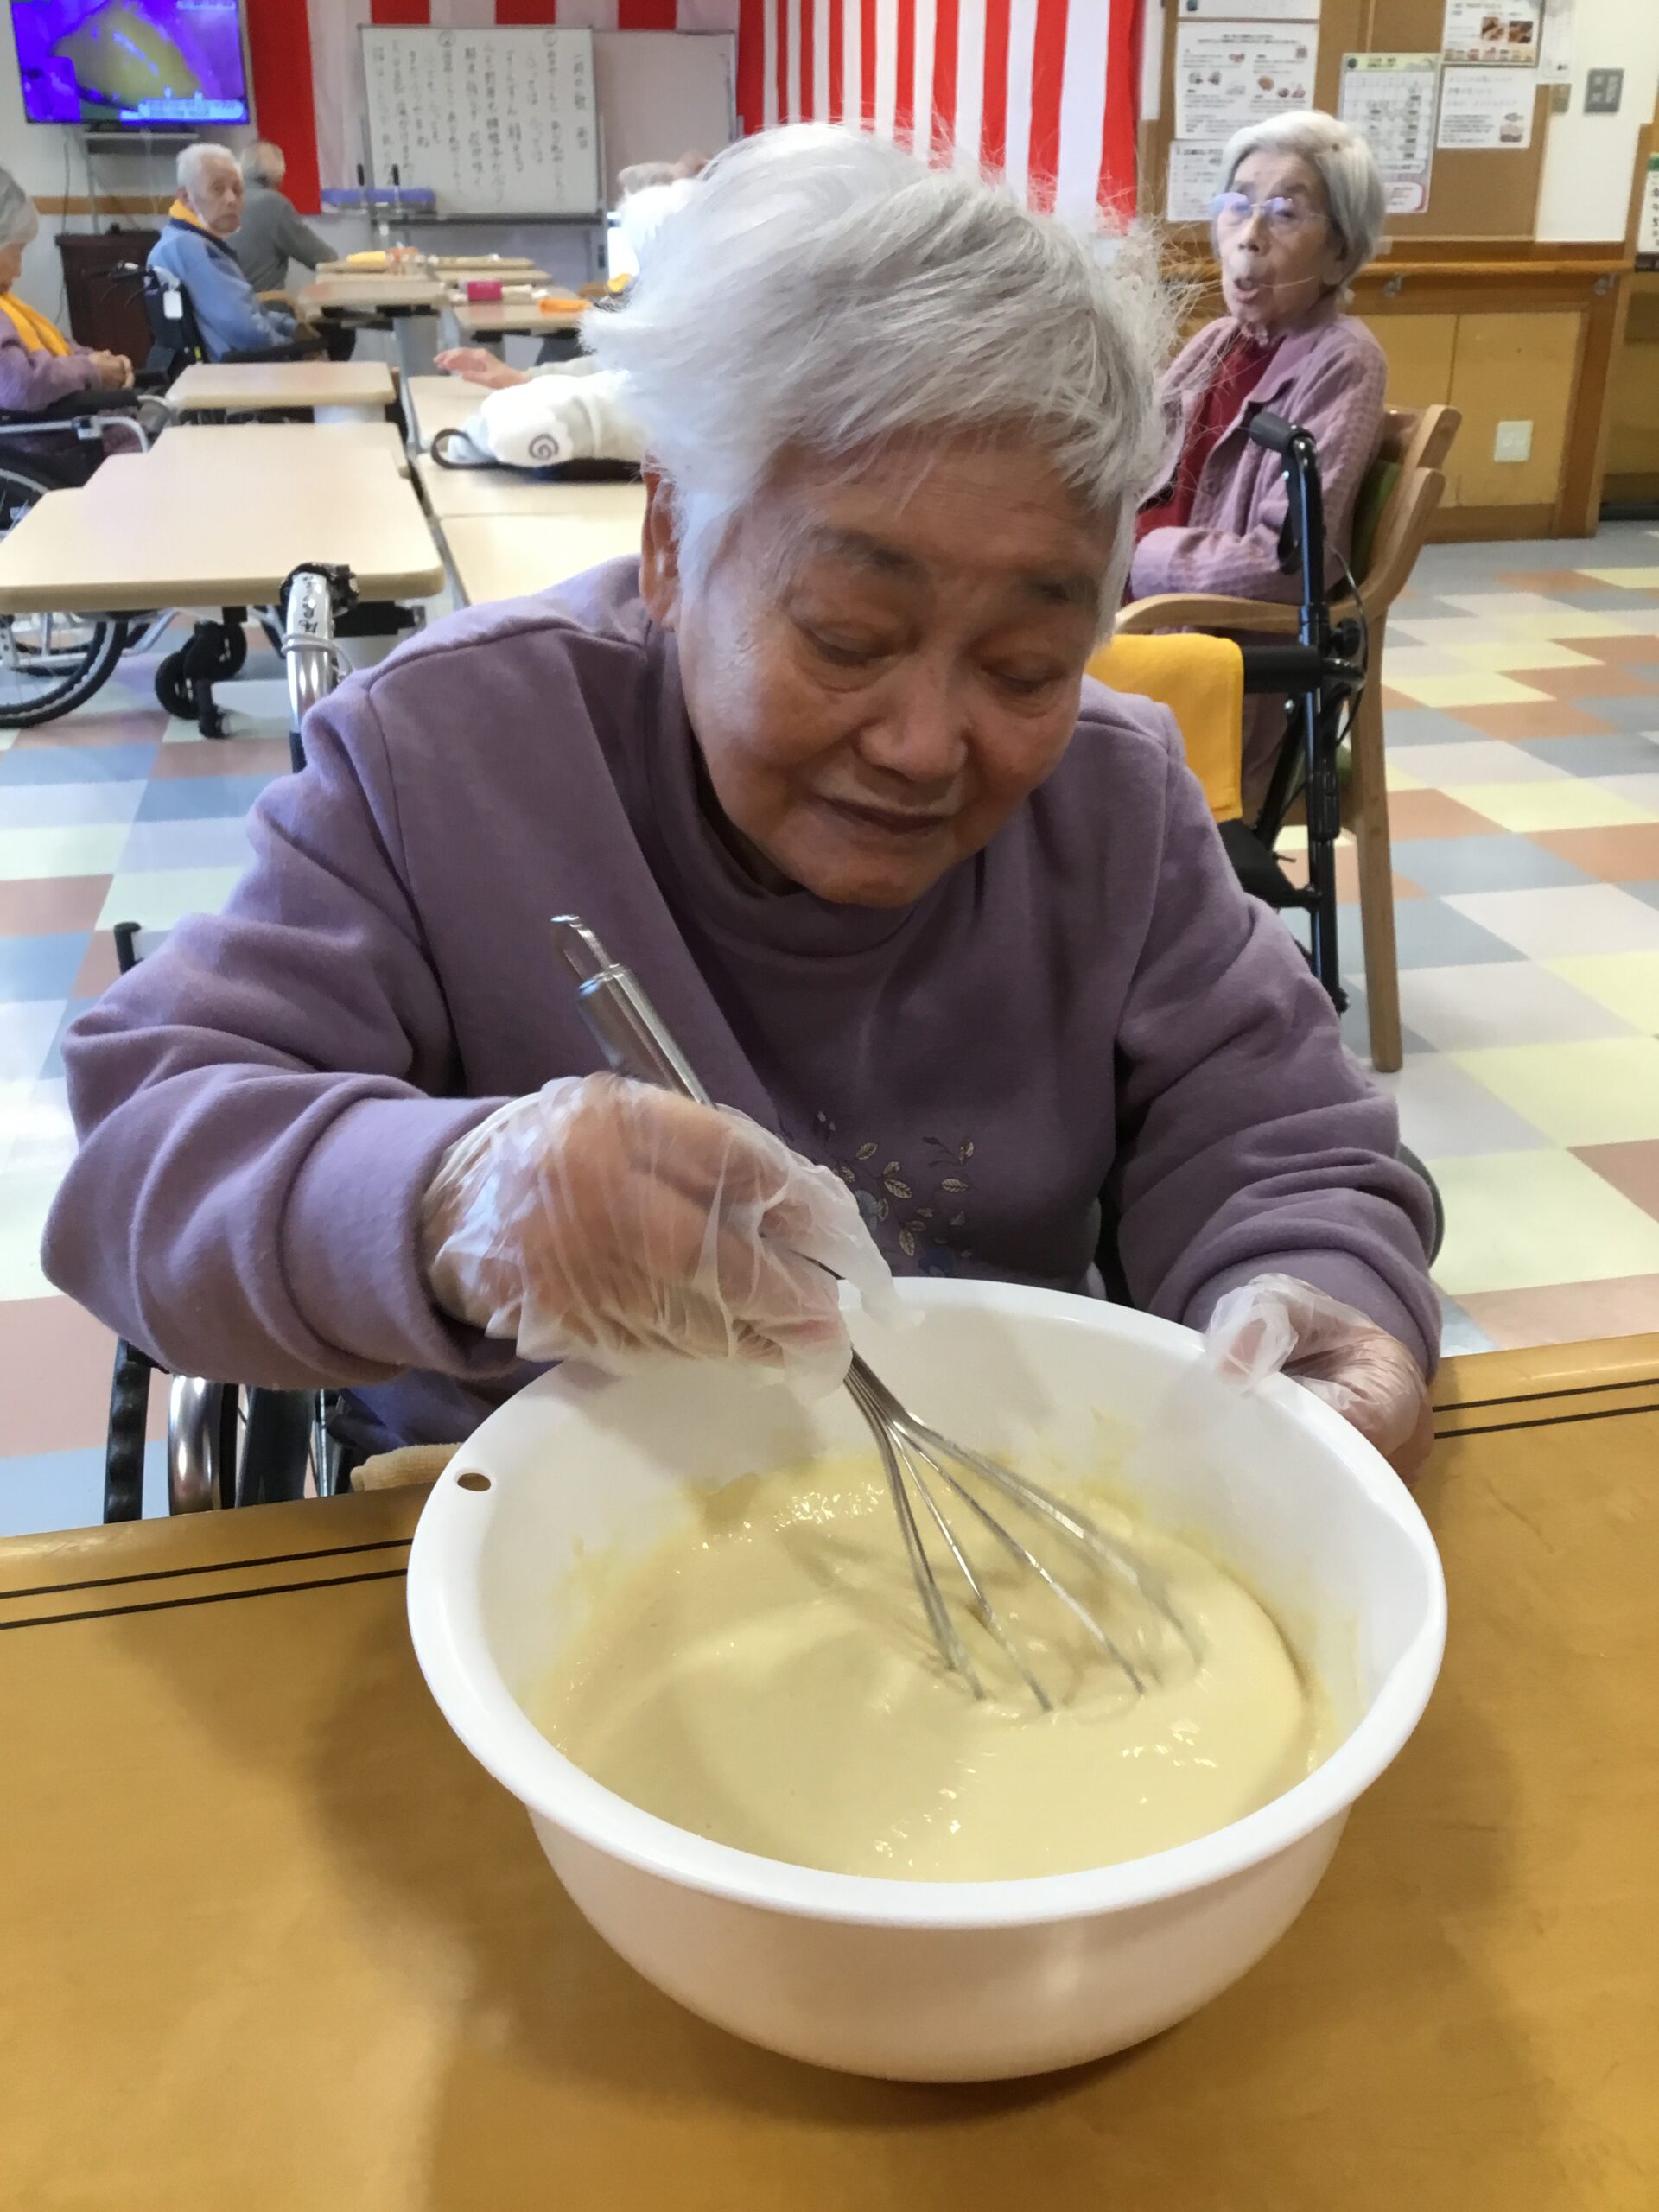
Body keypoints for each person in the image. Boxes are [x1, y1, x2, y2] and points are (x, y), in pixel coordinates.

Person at [43, 126, 1437, 1478]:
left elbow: (1287, 1143)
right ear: (669, 543)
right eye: (845, 636)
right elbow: (145, 1165)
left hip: (1001, 1480)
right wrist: (443, 1194)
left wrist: (1316, 1290)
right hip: (519, 1528)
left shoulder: (1113, 803)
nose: (923, 743)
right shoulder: (444, 759)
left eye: (1024, 664)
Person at [1127, 111, 1389, 810]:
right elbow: (1124, 462)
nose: (1248, 235)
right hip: (1139, 623)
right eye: (1238, 204)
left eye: (1284, 213)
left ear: (1340, 252)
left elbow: (1292, 562)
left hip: (1214, 663)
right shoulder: (1217, 341)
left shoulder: (1344, 362)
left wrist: (1142, 556)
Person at [147, 143, 307, 360]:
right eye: (218, 189)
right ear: (186, 198)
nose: (232, 200)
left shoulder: (181, 240)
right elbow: (248, 333)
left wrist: (292, 326)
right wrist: (295, 345)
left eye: (237, 190)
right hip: (238, 374)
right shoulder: (191, 249)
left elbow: (250, 313)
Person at [0, 166, 131, 417]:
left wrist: (102, 362)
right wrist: (90, 370)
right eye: (18, 251)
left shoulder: (7, 304)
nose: (18, 271)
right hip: (53, 450)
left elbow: (56, 347)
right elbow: (21, 387)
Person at [231, 141, 332, 296]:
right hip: (265, 312)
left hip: (224, 311)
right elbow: (323, 259)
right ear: (279, 176)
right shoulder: (273, 203)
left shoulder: (226, 201)